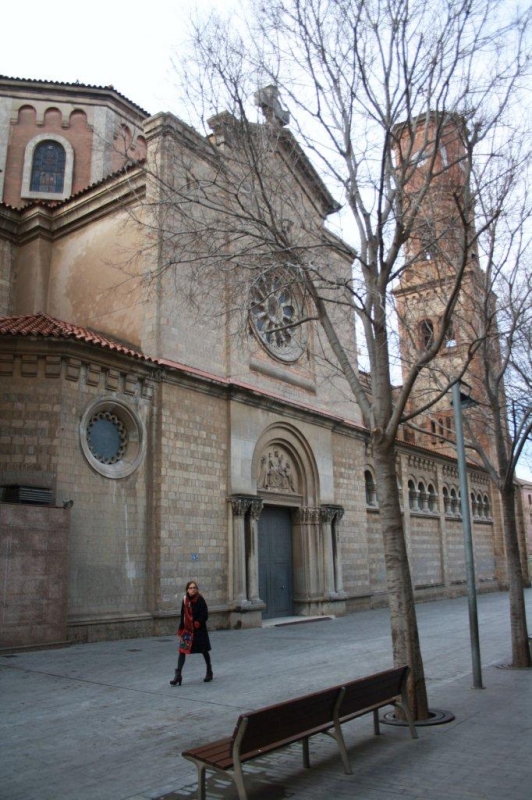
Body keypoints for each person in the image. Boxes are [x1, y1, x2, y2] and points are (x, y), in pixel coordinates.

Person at [170, 580, 213, 686]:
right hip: (188, 631)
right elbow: (182, 616)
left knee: (204, 651)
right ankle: (178, 675)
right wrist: (181, 629)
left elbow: (205, 614)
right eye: (191, 588)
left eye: (194, 588)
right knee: (182, 651)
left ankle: (209, 671)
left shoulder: (200, 599)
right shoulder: (185, 600)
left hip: (199, 631)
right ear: (187, 589)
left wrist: (198, 622)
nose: (193, 589)